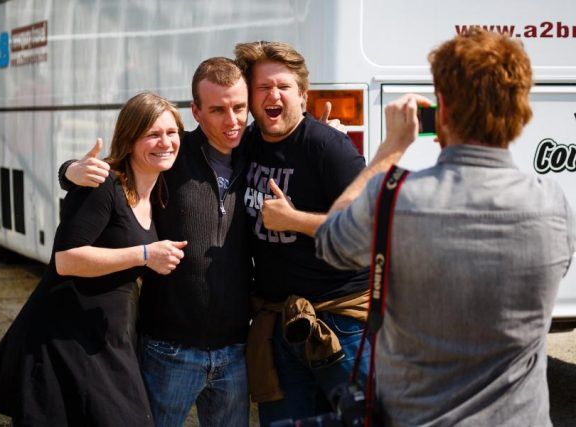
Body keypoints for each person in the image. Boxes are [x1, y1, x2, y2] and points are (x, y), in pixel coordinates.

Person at [315, 28, 576, 426]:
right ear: (520, 112)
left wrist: (391, 148)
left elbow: (329, 242)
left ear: (443, 112)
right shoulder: (552, 203)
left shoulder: (393, 199)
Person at [59, 57, 253, 427]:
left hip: (233, 351)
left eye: (239, 108)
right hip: (169, 348)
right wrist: (69, 170)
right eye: (217, 110)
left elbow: (297, 144)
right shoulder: (173, 154)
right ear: (196, 112)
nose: (232, 121)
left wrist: (323, 133)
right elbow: (119, 165)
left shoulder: (255, 153)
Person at [0, 92, 187, 425]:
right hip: (62, 338)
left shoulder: (158, 188)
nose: (165, 142)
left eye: (171, 132)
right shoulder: (102, 186)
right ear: (130, 140)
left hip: (107, 337)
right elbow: (66, 259)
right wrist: (145, 254)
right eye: (153, 134)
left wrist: (66, 170)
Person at [233, 41, 371, 425]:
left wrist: (294, 220)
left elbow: (371, 228)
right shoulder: (245, 144)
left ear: (303, 95)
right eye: (262, 87)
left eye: (283, 86)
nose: (272, 95)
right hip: (278, 327)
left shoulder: (329, 148)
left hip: (341, 324)